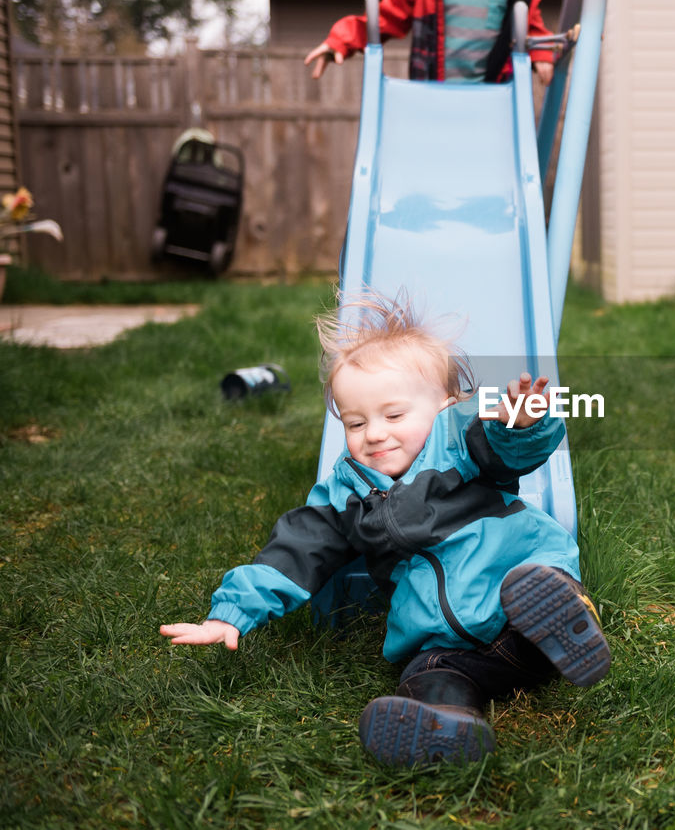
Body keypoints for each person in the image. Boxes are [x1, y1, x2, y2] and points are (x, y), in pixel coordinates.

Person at [160, 292, 610, 766]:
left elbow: (505, 449)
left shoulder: (460, 441)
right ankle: (448, 723)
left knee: (536, 591)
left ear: (443, 405)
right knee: (426, 674)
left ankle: (566, 615)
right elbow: (297, 548)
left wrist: (520, 425)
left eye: (393, 415)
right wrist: (231, 613)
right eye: (355, 422)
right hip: (450, 644)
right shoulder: (347, 493)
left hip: (515, 597)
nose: (373, 433)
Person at [304, 0, 558, 86]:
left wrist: (540, 52)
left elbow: (525, 17)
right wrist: (343, 39)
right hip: (432, 97)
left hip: (491, 99)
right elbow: (390, 14)